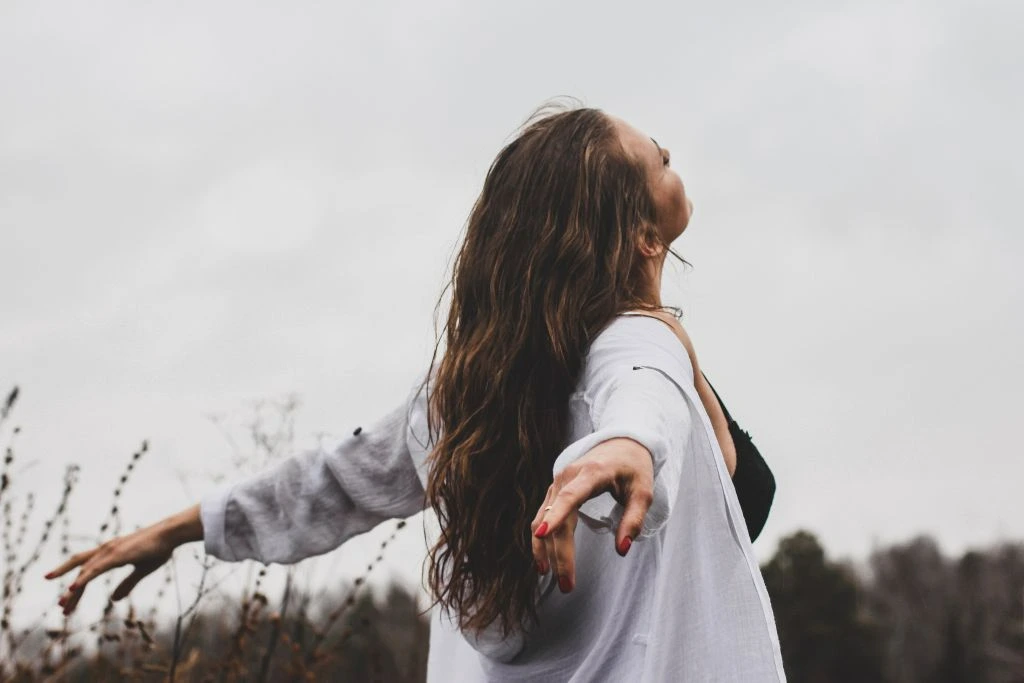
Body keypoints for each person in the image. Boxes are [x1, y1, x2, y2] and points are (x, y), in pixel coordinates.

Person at [46, 104, 786, 681]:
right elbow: (639, 394)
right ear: (642, 236)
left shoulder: (465, 396)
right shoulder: (634, 347)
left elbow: (329, 484)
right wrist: (628, 442)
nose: (671, 154)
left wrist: (185, 525)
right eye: (658, 156)